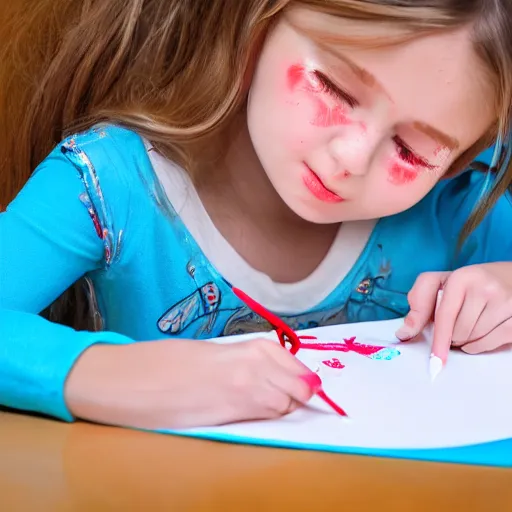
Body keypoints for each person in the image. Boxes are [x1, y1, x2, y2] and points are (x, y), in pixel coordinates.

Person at [0, 0, 511, 429]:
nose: (351, 159)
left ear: (459, 162)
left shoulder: (456, 211)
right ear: (256, 27)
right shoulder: (111, 182)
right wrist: (107, 374)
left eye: (412, 151)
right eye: (334, 90)